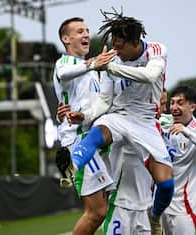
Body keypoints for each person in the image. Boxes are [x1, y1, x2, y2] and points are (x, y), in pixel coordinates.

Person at [64, 10, 174, 235]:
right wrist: (84, 116)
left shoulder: (155, 50)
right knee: (96, 134)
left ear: (136, 42)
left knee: (166, 184)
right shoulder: (112, 59)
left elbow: (150, 75)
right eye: (114, 45)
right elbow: (104, 101)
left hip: (145, 122)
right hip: (119, 116)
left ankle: (154, 218)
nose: (117, 50)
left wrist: (109, 67)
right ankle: (71, 167)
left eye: (121, 45)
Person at [53, 17, 116, 235]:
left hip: (96, 140)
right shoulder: (65, 63)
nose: (86, 34)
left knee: (104, 208)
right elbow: (63, 74)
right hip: (79, 141)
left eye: (87, 30)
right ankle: (70, 166)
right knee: (96, 212)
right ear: (66, 39)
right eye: (80, 31)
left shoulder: (91, 71)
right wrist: (93, 63)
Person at [160, 86, 196, 235]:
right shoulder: (163, 123)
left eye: (180, 103)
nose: (174, 107)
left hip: (183, 206)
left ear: (192, 107)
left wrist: (187, 132)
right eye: (172, 103)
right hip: (158, 203)